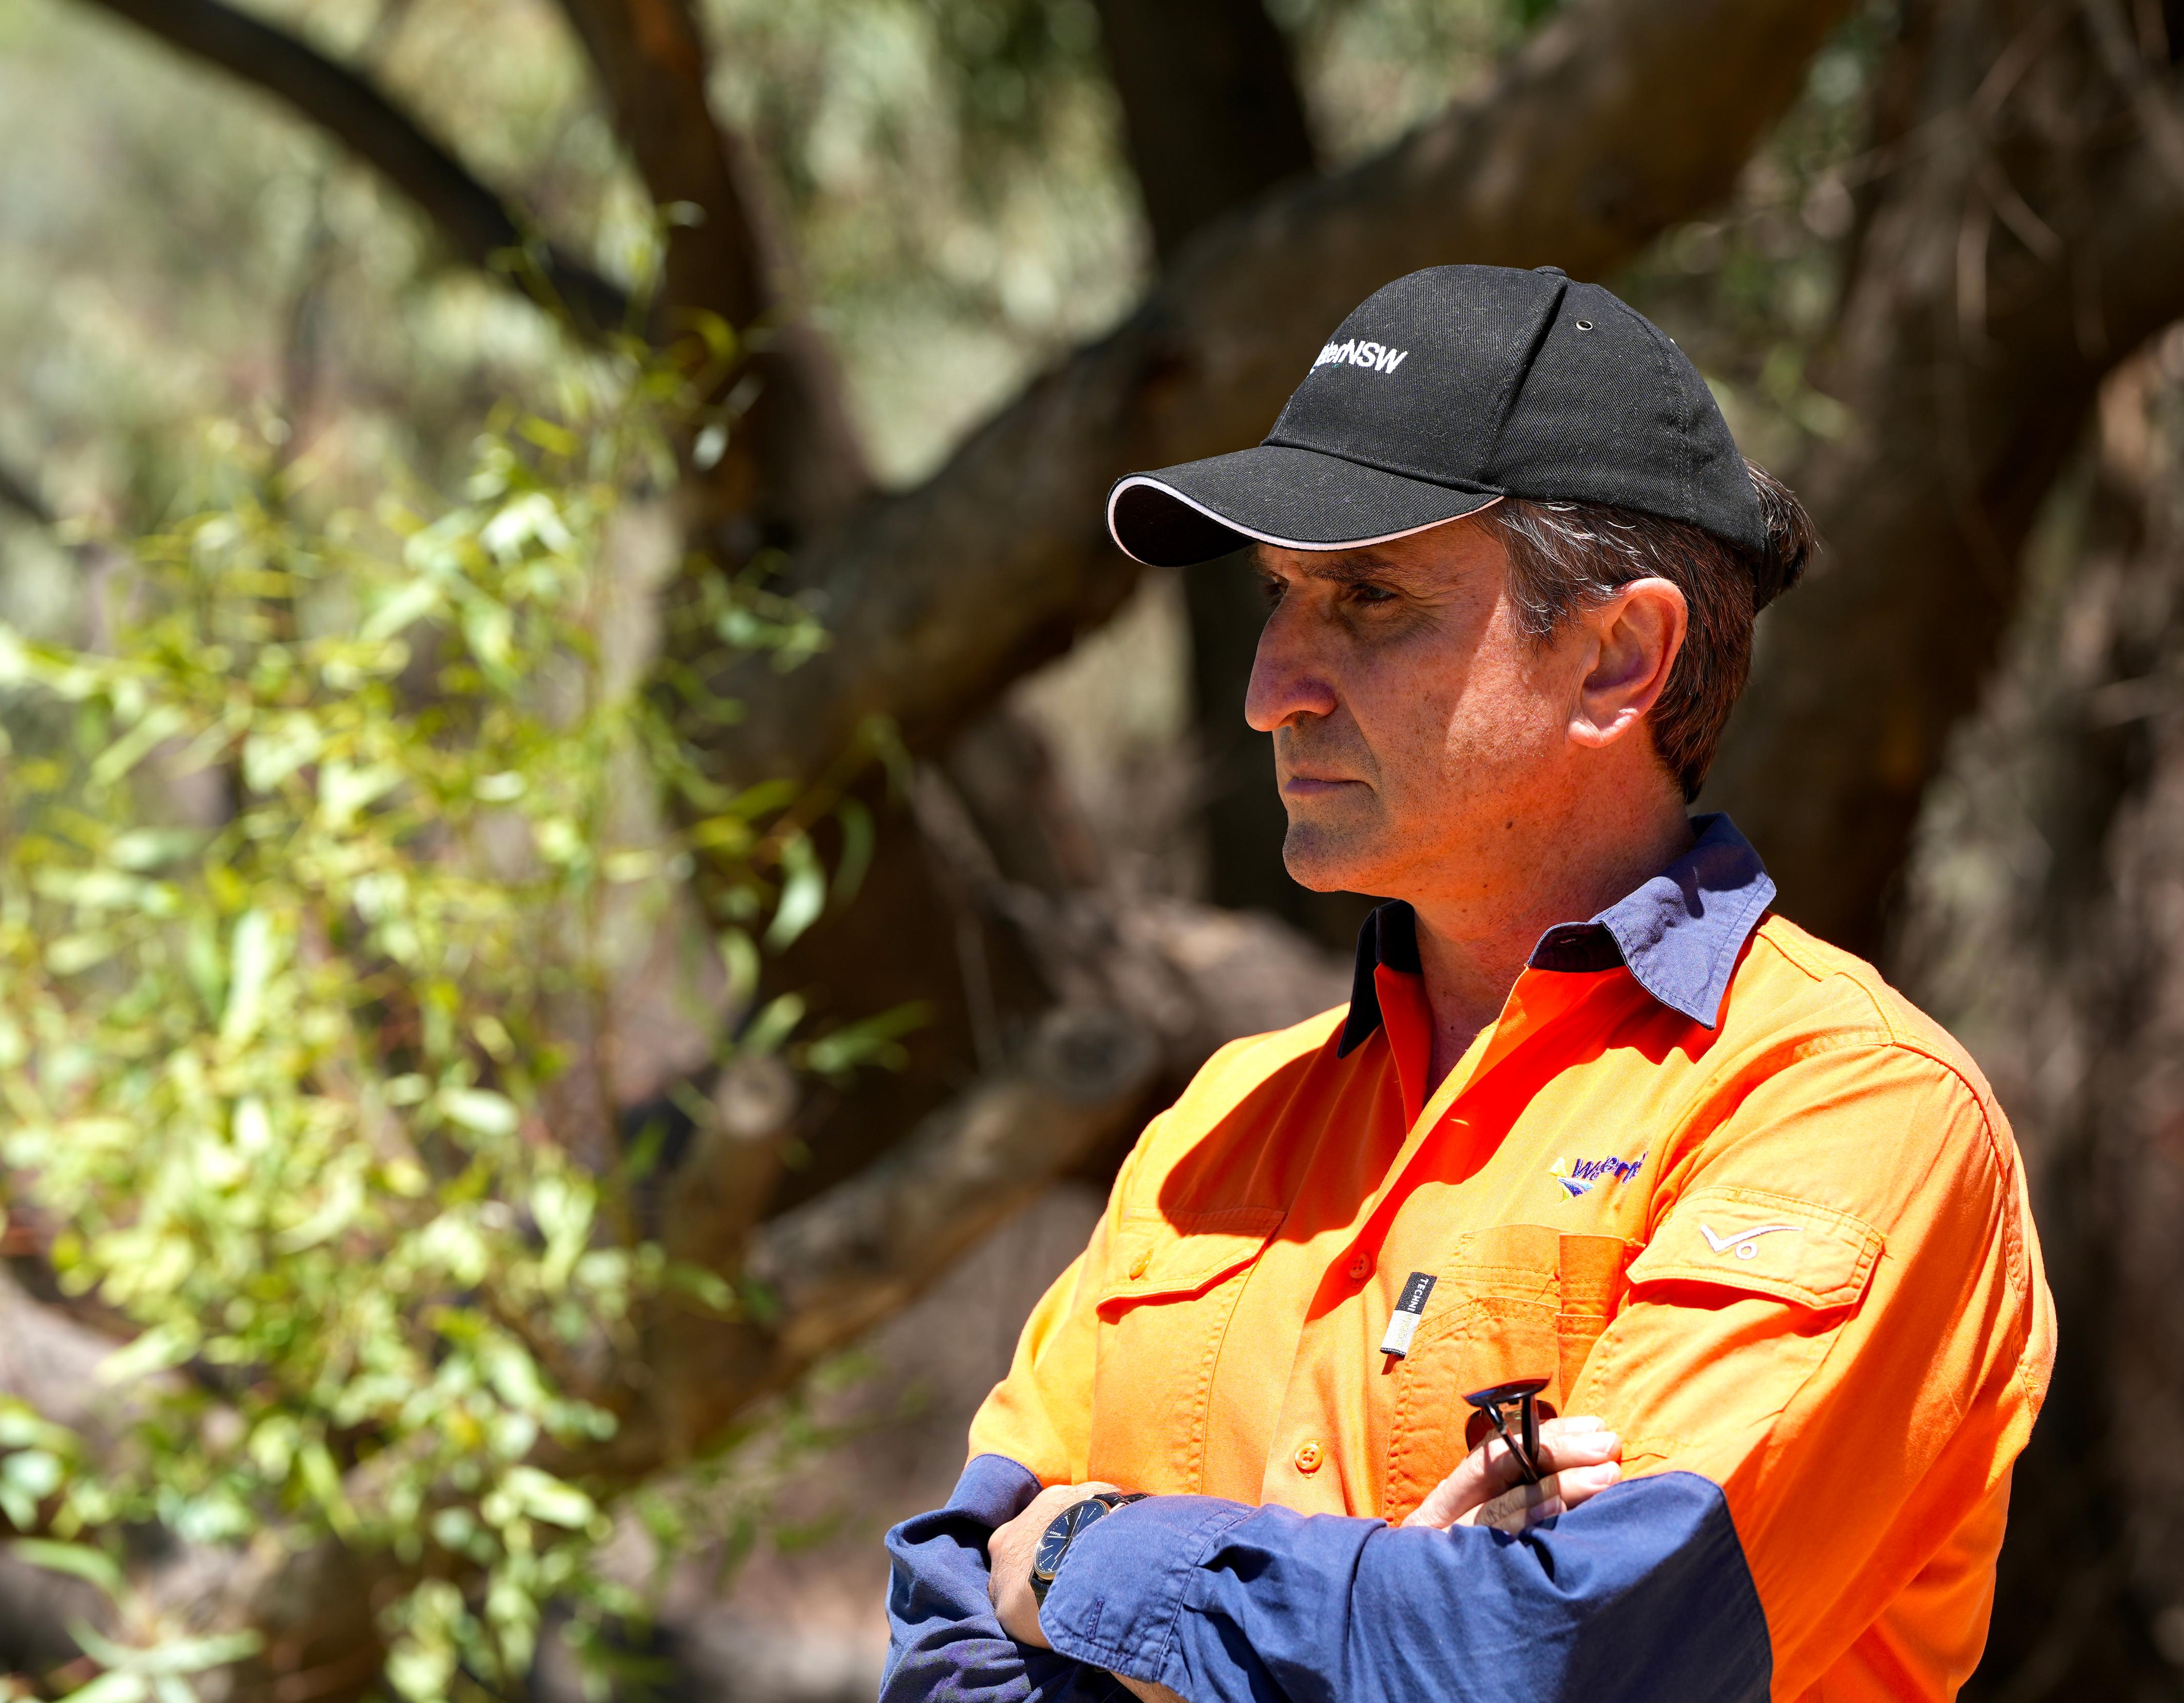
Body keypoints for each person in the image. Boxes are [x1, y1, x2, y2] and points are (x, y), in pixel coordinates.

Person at [880, 264, 2056, 1703]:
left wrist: (1082, 1559)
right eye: (1279, 596)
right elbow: (943, 1638)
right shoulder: (1215, 1126)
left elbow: (1565, 1661)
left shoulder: (1851, 1110)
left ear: (1619, 658)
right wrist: (1392, 1615)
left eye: (1370, 598)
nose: (1271, 688)